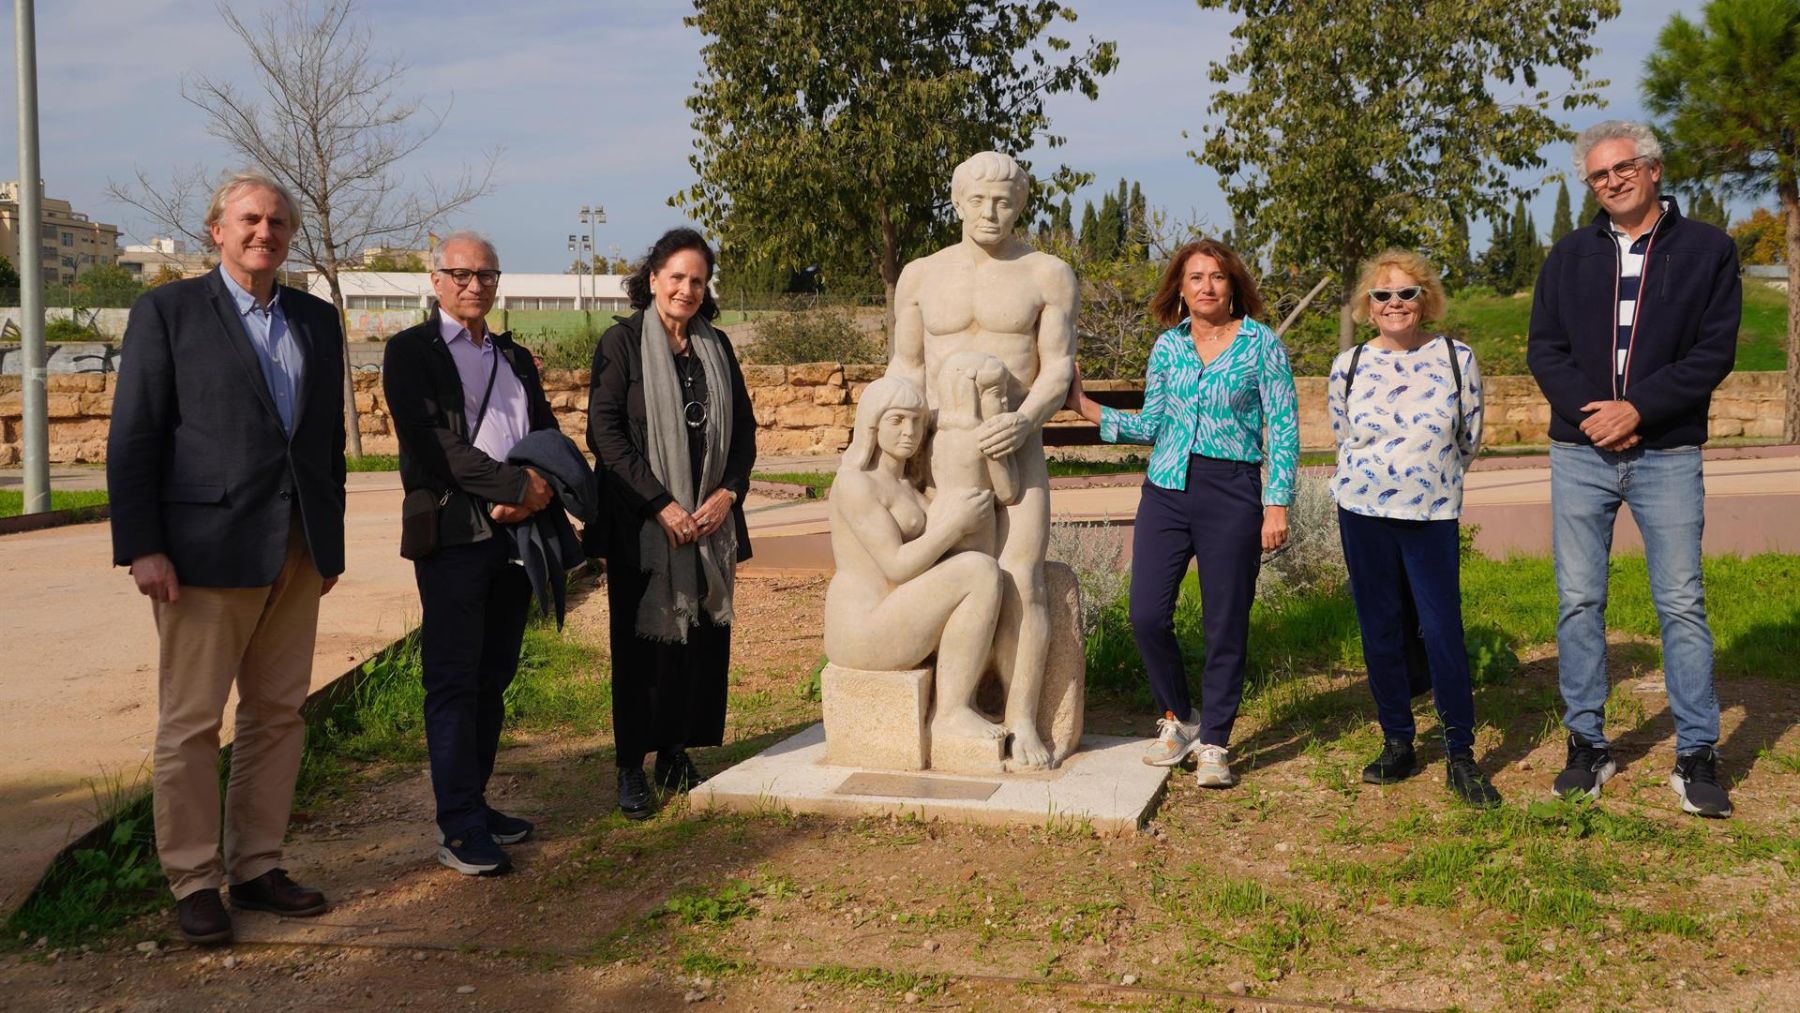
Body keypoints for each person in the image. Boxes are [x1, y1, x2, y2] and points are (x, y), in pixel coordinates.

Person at [107, 172, 345, 944]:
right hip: (203, 552)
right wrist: (142, 544)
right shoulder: (167, 312)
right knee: (191, 722)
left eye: (278, 221)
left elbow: (323, 444)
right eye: (249, 219)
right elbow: (135, 435)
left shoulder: (315, 318)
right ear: (216, 229)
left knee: (277, 715)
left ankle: (257, 867)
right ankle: (193, 878)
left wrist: (329, 537)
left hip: (296, 550)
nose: (264, 232)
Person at [1527, 120, 1741, 818]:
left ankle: (1697, 751)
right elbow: (1544, 349)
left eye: (1623, 168)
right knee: (1579, 600)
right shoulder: (1566, 255)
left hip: (1667, 451)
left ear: (1653, 169)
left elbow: (1712, 354)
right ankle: (1587, 743)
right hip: (1580, 451)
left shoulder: (1708, 250)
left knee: (1680, 600)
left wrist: (1637, 409)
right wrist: (1595, 415)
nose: (1611, 181)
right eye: (1598, 175)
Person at [1064, 238, 1297, 788]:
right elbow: (1153, 423)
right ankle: (1177, 717)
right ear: (1181, 288)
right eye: (1196, 278)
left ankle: (1215, 739)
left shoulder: (1261, 344)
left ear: (1233, 284)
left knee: (1225, 622)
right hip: (1166, 488)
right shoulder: (1167, 347)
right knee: (1145, 613)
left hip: (1232, 489)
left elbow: (1283, 427)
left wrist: (1277, 501)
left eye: (1217, 277)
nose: (1207, 287)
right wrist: (1084, 405)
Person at [887, 151, 1077, 770]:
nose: (991, 212)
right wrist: (890, 445)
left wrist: (1024, 419)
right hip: (943, 451)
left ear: (1020, 203)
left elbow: (1058, 369)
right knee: (948, 577)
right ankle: (952, 712)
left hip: (1015, 445)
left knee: (1020, 579)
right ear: (958, 202)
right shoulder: (920, 275)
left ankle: (1022, 716)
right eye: (978, 200)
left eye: (1003, 200)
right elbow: (907, 367)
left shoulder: (1047, 273)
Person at [382, 232, 560, 875]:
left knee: (494, 676)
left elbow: (542, 430)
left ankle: (476, 804)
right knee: (454, 681)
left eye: (486, 274)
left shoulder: (513, 355)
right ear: (436, 280)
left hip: (518, 537)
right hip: (456, 535)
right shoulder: (411, 353)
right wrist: (512, 488)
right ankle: (457, 826)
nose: (474, 285)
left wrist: (539, 493)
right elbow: (432, 445)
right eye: (460, 273)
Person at [586, 228, 756, 820]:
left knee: (699, 642)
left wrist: (728, 495)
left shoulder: (717, 346)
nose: (686, 289)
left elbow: (745, 435)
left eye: (698, 280)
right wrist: (662, 504)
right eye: (676, 277)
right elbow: (605, 435)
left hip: (710, 524)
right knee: (642, 649)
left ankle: (676, 753)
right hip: (643, 526)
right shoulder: (622, 344)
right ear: (652, 276)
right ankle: (632, 765)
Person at [1328, 249, 1499, 807]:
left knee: (1441, 629)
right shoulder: (1348, 365)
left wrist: (1430, 477)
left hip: (1431, 513)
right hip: (1362, 512)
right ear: (1368, 306)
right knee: (1380, 629)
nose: (1395, 303)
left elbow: (1469, 438)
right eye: (1383, 295)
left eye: (1406, 293)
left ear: (1425, 300)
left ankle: (1460, 753)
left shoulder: (1456, 358)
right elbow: (1344, 436)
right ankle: (1398, 739)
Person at [823, 374, 1004, 743]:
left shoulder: (907, 484)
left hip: (890, 611)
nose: (910, 430)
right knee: (978, 572)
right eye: (897, 420)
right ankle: (951, 713)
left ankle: (959, 705)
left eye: (918, 421)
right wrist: (954, 525)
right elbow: (897, 565)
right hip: (861, 628)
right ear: (872, 424)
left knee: (979, 569)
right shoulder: (856, 482)